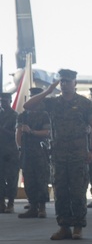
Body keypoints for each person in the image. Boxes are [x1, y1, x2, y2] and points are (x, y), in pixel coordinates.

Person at [24, 69, 92, 240]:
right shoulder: (54, 103)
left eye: (67, 81)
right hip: (58, 156)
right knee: (61, 192)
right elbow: (28, 106)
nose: (64, 84)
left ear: (75, 83)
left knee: (78, 191)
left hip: (78, 154)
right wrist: (48, 91)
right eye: (62, 81)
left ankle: (78, 226)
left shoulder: (85, 104)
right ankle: (64, 226)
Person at [16, 87, 51, 219]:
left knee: (41, 179)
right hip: (27, 151)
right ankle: (33, 205)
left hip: (40, 150)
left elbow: (47, 133)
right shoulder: (23, 115)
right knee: (29, 179)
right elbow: (18, 133)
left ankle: (41, 207)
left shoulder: (44, 115)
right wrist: (19, 147)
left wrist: (32, 132)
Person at [0, 92, 18, 213]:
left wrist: (3, 130)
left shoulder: (15, 116)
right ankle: (1, 202)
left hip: (11, 151)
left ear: (10, 101)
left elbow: (16, 135)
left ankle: (11, 202)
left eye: (5, 101)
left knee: (12, 177)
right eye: (1, 101)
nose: (3, 103)